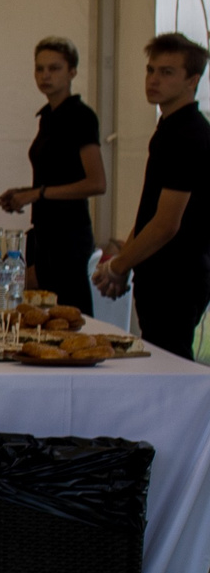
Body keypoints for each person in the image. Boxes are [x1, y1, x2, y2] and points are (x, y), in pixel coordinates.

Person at [96, 33, 209, 356]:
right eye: (150, 70)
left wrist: (119, 266)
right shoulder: (170, 130)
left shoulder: (187, 134)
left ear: (192, 80)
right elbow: (148, 213)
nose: (154, 79)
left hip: (177, 277)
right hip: (160, 273)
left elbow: (166, 223)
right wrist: (125, 262)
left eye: (167, 72)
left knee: (169, 367)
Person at [0, 37, 104, 315]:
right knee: (35, 308)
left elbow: (96, 182)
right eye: (40, 69)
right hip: (45, 231)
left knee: (66, 311)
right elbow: (59, 174)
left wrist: (36, 193)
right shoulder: (48, 117)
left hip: (68, 234)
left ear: (72, 72)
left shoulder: (81, 117)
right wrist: (24, 193)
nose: (45, 76)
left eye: (54, 68)